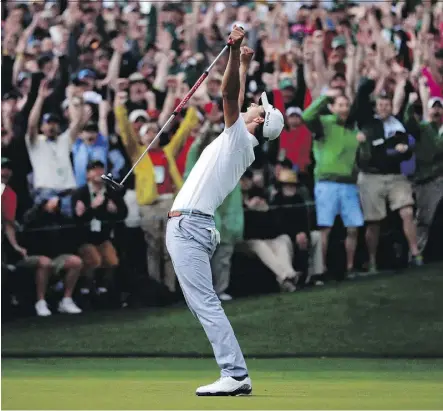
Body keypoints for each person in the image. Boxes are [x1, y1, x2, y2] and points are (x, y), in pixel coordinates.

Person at [165, 26, 284, 396]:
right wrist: (242, 62)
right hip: (192, 225)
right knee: (203, 303)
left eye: (259, 106)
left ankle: (235, 374)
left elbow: (230, 94)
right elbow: (237, 94)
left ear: (259, 121)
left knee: (205, 303)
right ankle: (234, 373)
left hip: (189, 226)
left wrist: (233, 53)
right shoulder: (240, 139)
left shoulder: (237, 137)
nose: (255, 103)